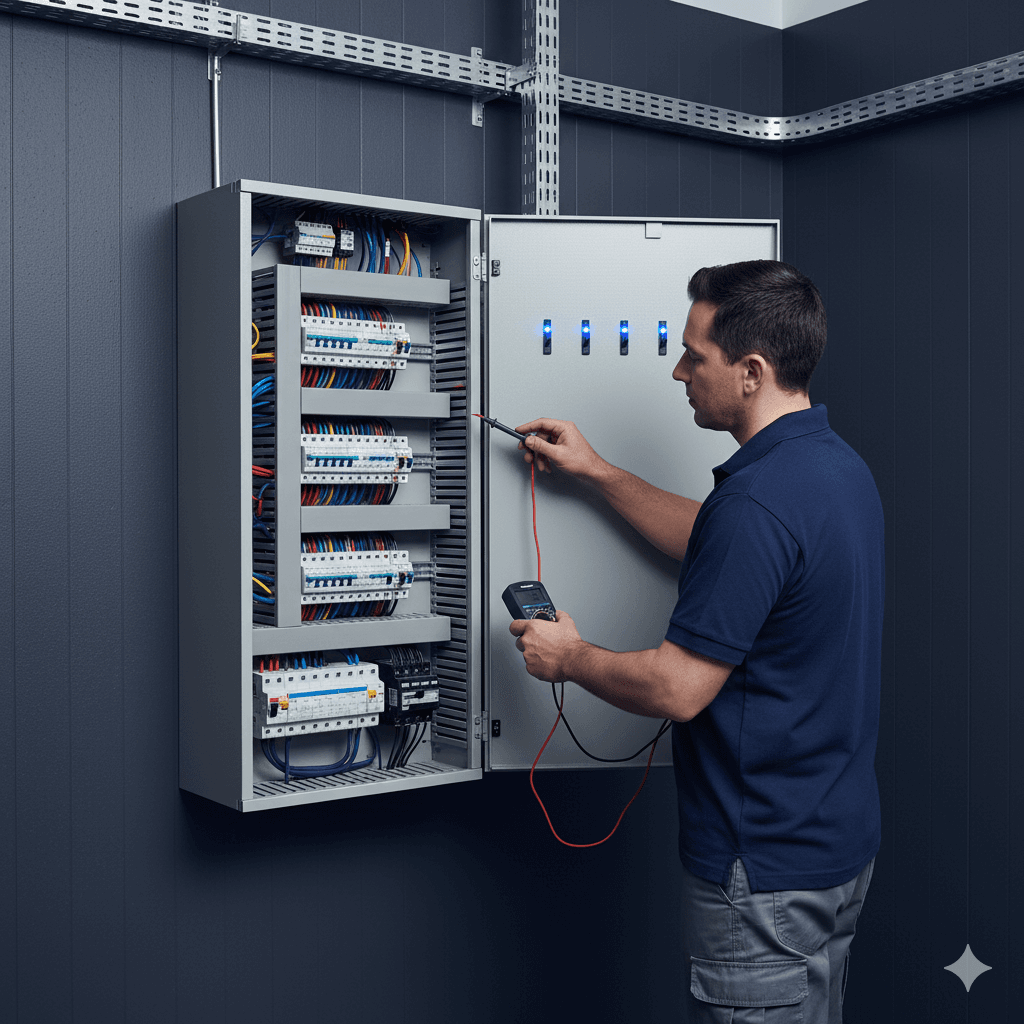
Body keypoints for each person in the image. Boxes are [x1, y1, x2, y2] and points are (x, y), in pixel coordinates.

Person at [509, 260, 882, 1024]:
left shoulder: (757, 500)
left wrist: (567, 657)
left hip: (761, 873)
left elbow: (679, 689)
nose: (677, 370)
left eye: (694, 355)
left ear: (751, 371)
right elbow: (725, 543)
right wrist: (598, 473)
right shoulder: (832, 469)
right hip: (831, 852)